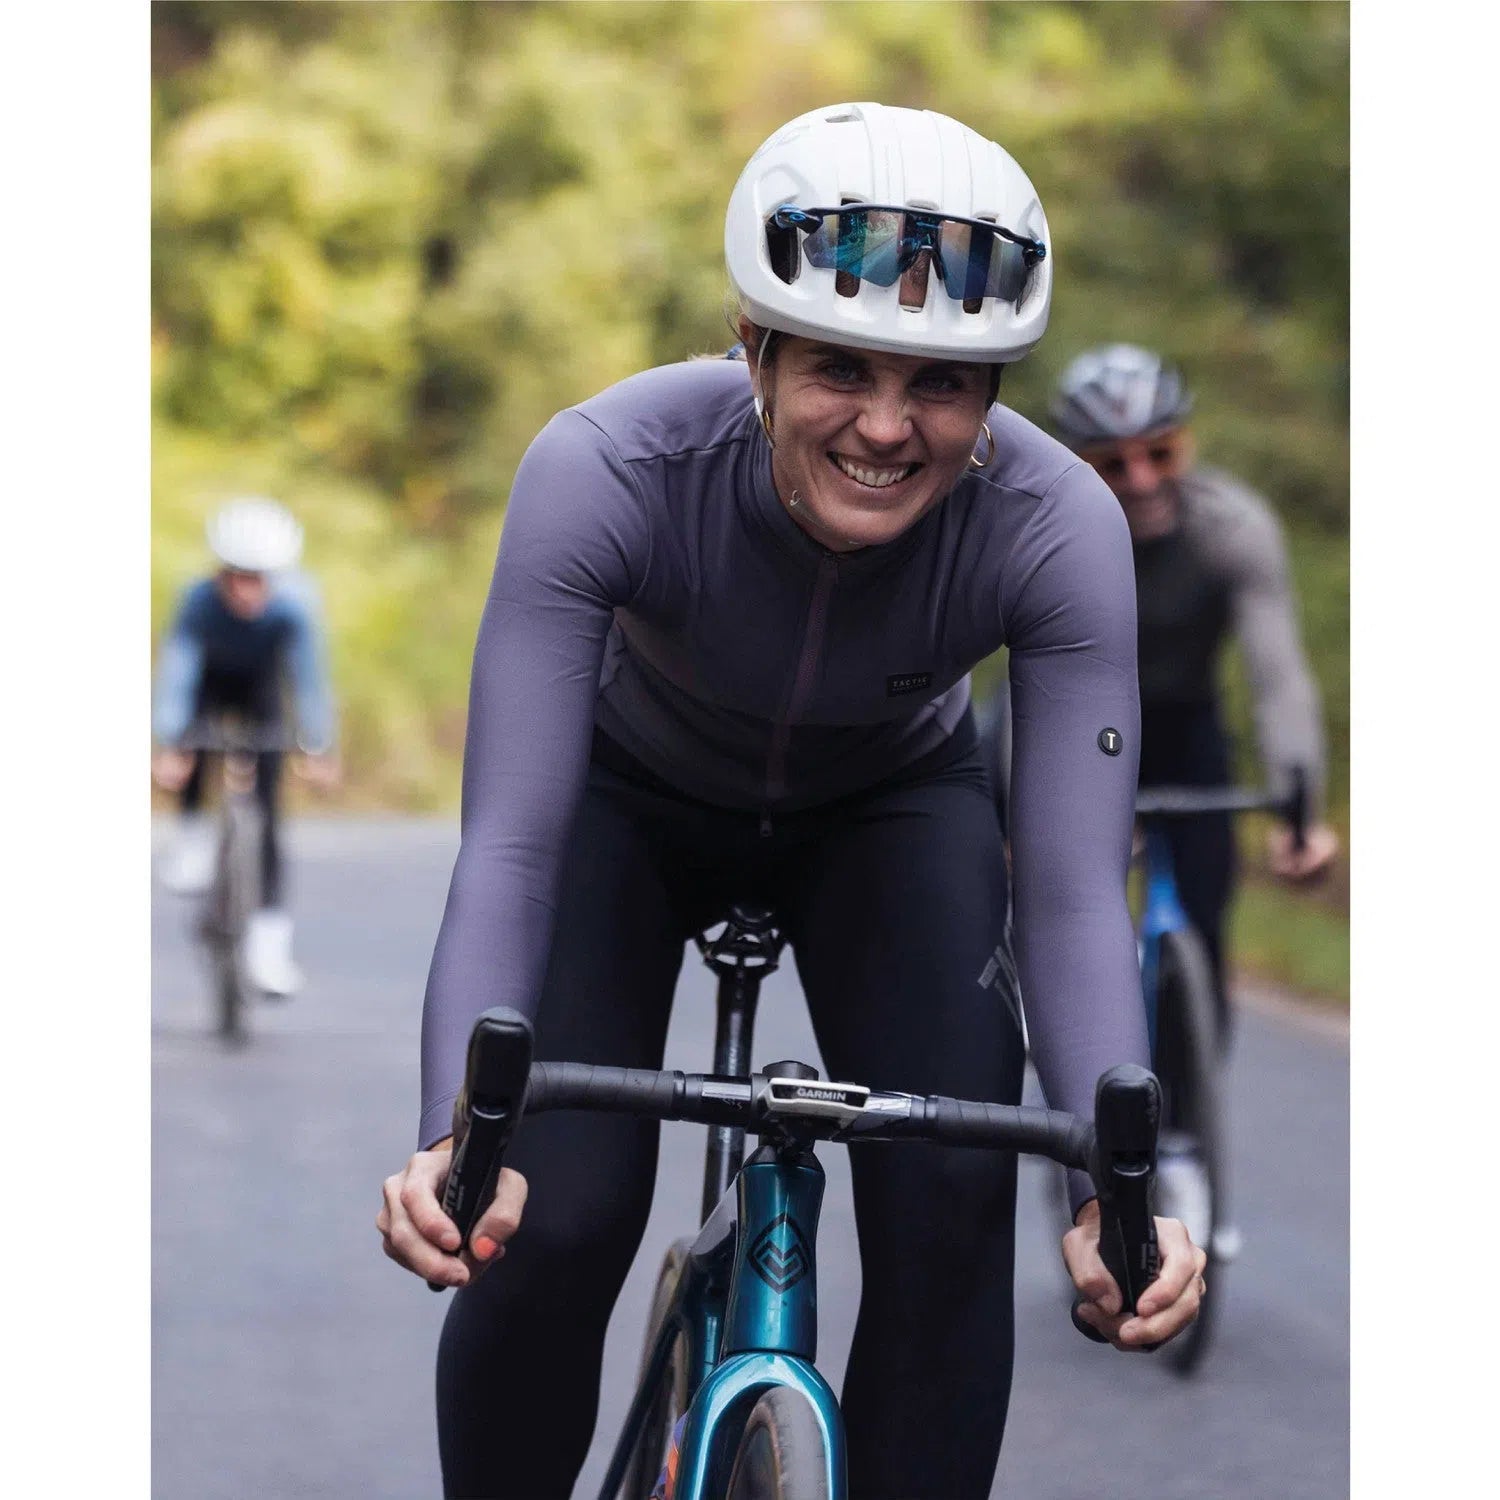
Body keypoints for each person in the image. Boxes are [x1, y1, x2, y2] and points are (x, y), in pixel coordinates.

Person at [377, 103, 1206, 1500]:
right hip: (629, 800)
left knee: (951, 1213)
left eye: (942, 382)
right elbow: (513, 848)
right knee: (552, 1216)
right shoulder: (607, 466)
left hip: (890, 810)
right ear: (753, 347)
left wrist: (1107, 1201)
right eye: (838, 367)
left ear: (995, 389)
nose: (886, 426)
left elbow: (1069, 895)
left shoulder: (1057, 525)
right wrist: (456, 1144)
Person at [1047, 343, 1339, 1040]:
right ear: (1079, 464)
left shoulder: (1233, 527)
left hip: (1186, 729)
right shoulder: (1050, 530)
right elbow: (1028, 676)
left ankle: (1190, 1087)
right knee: (1054, 904)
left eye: (1161, 453)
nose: (1142, 480)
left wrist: (1300, 812)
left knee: (1206, 921)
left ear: (1185, 445)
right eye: (1113, 464)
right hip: (1073, 726)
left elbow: (1278, 681)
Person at [152, 496, 339, 997]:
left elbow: (309, 679)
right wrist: (170, 741)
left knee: (269, 812)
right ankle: (191, 837)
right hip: (211, 685)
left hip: (262, 688)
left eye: (258, 578)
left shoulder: (295, 604)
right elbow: (179, 672)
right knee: (193, 740)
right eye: (235, 576)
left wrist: (318, 745)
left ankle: (268, 947)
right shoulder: (197, 601)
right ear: (219, 571)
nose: (245, 590)